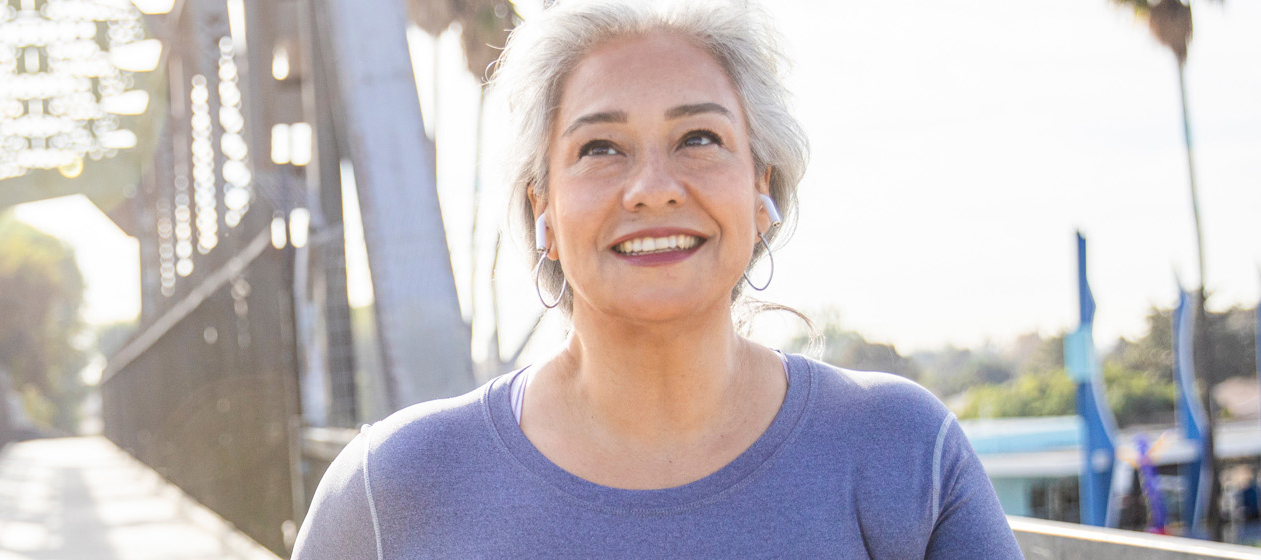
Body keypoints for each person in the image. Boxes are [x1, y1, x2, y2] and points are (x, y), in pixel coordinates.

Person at [291, 0, 1022, 557]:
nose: (652, 187)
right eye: (601, 147)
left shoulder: (902, 453)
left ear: (760, 188)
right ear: (540, 206)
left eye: (698, 138)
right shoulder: (389, 491)